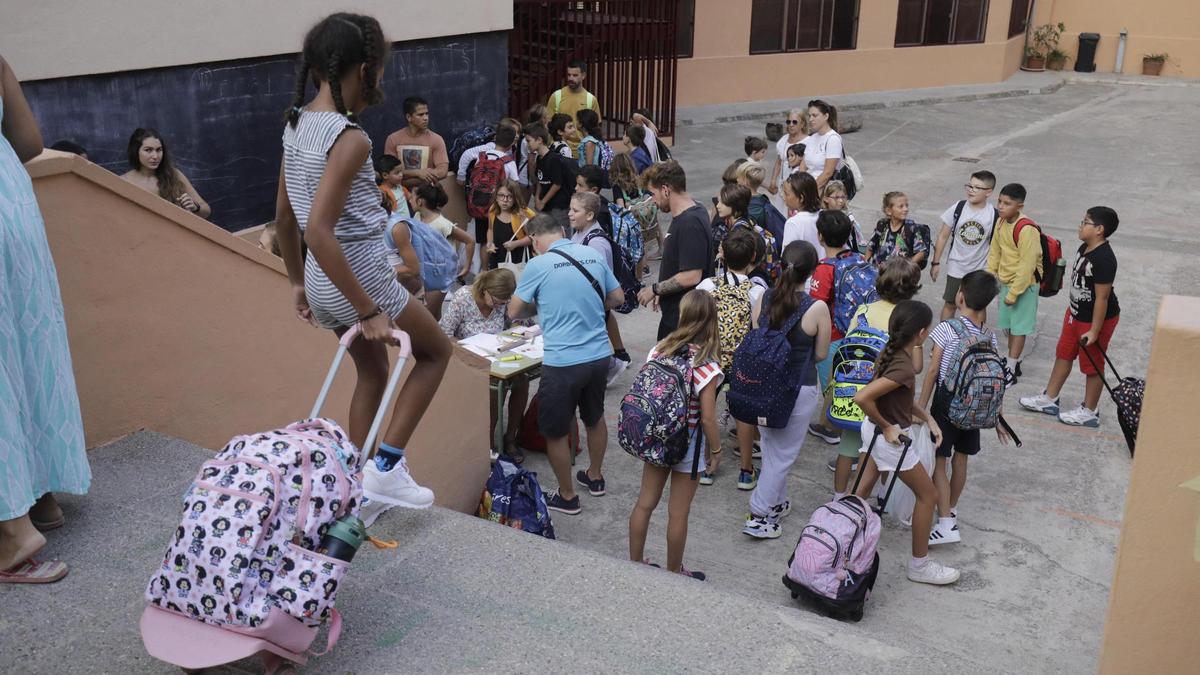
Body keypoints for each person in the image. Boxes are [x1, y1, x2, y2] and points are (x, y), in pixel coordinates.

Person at [276, 13, 452, 525]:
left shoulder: (295, 122)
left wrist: (296, 282)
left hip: (321, 280)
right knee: (436, 353)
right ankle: (386, 468)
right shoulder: (349, 138)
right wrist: (369, 309)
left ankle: (353, 491)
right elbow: (319, 230)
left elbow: (287, 219)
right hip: (360, 280)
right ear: (364, 68)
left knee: (372, 372)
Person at [0, 53, 90, 584]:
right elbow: (30, 143)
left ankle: (11, 534)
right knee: (28, 347)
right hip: (12, 204)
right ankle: (41, 497)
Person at [508, 214, 625, 515]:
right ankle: (595, 477)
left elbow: (514, 310)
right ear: (562, 231)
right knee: (594, 417)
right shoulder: (591, 254)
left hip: (563, 362)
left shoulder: (537, 265)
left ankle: (568, 496)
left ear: (533, 240)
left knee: (555, 430)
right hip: (600, 354)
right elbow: (617, 297)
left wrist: (545, 304)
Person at [851, 300, 959, 585]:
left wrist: (928, 419)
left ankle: (843, 542)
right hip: (889, 437)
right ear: (922, 333)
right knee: (928, 496)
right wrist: (888, 427)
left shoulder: (891, 354)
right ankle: (919, 565)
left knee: (859, 493)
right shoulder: (903, 366)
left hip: (872, 431)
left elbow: (900, 400)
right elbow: (862, 398)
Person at [628, 290, 722, 580]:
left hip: (657, 436)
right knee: (678, 513)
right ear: (710, 321)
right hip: (688, 445)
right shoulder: (707, 363)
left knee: (645, 503)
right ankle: (673, 572)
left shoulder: (660, 349)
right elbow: (707, 417)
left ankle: (634, 562)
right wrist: (715, 451)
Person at [742, 241, 831, 539]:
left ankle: (777, 502)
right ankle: (760, 513)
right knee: (783, 455)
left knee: (771, 448)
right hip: (799, 387)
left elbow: (757, 335)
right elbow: (820, 354)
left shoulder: (764, 297)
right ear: (812, 271)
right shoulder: (816, 307)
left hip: (762, 385)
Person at [919, 270, 1008, 545]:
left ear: (960, 297)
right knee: (961, 460)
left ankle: (945, 523)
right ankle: (951, 509)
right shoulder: (989, 336)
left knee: (940, 462)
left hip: (947, 406)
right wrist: (998, 415)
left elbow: (933, 371)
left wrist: (920, 409)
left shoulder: (946, 328)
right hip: (976, 409)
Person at [1020, 207, 1121, 428]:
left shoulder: (1104, 259)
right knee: (1064, 354)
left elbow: (1102, 298)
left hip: (1094, 320)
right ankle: (1050, 398)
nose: (1080, 225)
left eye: (1085, 222)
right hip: (1074, 313)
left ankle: (1090, 411)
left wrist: (1094, 330)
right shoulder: (1084, 247)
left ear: (1099, 230)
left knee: (1092, 364)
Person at [826, 256, 921, 491]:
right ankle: (880, 496)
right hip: (886, 394)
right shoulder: (906, 317)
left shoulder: (864, 309)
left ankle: (839, 497)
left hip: (857, 388)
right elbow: (915, 367)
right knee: (887, 449)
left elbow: (848, 345)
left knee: (848, 448)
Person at [696, 229, 765, 489]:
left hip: (709, 360)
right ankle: (746, 472)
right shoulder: (756, 291)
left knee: (706, 413)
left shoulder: (706, 286)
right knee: (743, 415)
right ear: (753, 257)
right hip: (742, 362)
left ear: (722, 254)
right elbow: (758, 329)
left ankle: (706, 465)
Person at [439, 268, 529, 460]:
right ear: (484, 290)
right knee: (496, 388)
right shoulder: (463, 298)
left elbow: (516, 322)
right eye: (497, 301)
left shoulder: (503, 302)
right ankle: (486, 444)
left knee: (522, 381)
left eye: (504, 302)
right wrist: (468, 347)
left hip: (497, 354)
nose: (500, 306)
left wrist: (515, 330)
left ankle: (510, 438)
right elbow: (444, 334)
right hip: (469, 359)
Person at [806, 211, 875, 450]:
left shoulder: (824, 268)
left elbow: (816, 306)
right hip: (859, 331)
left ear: (820, 236)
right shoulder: (858, 258)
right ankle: (826, 423)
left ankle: (839, 433)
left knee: (834, 385)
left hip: (834, 337)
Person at [636, 160, 714, 339]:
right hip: (677, 315)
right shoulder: (694, 210)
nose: (652, 201)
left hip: (682, 322)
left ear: (665, 189)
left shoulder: (689, 223)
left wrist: (655, 289)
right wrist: (664, 291)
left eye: (653, 194)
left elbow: (692, 275)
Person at [568, 191, 630, 383]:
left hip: (591, 303)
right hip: (581, 302)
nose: (569, 213)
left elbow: (600, 279)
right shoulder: (579, 233)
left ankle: (612, 365)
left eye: (575, 210)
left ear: (589, 215)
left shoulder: (596, 243)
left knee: (586, 345)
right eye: (570, 209)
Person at [985, 183, 1042, 385]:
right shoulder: (1001, 222)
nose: (1001, 206)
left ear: (1020, 206)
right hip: (1006, 282)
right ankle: (1012, 361)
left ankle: (1010, 368)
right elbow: (995, 251)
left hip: (1024, 286)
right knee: (1009, 327)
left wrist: (1014, 293)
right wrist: (990, 276)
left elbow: (1027, 266)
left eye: (1007, 203)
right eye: (1000, 201)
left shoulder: (1027, 229)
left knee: (1018, 329)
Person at [930, 171, 999, 322]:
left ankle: (976, 342)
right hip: (957, 267)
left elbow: (997, 246)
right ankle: (944, 339)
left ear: (989, 192)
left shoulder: (993, 215)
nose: (971, 190)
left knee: (978, 307)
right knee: (950, 303)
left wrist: (993, 272)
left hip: (980, 269)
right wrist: (935, 263)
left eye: (977, 188)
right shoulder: (958, 207)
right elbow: (943, 235)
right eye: (970, 185)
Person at [461, 124, 519, 272]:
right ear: (512, 143)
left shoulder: (482, 157)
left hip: (480, 206)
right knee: (500, 240)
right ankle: (499, 270)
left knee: (484, 241)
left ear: (495, 139)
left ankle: (485, 271)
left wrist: (461, 176)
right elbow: (515, 186)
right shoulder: (509, 162)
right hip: (500, 208)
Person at [410, 183, 474, 317]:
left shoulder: (442, 224)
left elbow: (469, 240)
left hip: (440, 275)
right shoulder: (416, 217)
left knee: (427, 314)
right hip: (425, 272)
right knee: (434, 313)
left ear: (420, 201)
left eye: (412, 197)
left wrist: (466, 267)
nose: (409, 200)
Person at [121, 128, 211, 218]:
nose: (155, 156)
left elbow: (206, 211)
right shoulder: (123, 181)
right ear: (136, 151)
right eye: (148, 150)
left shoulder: (174, 175)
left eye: (159, 150)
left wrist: (195, 207)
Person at [384, 96, 449, 189]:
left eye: (427, 114)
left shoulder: (436, 139)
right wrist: (418, 173)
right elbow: (389, 171)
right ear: (409, 117)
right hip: (400, 196)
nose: (425, 118)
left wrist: (406, 181)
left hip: (427, 195)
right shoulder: (393, 139)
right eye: (420, 114)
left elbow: (443, 171)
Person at [545, 59, 601, 159]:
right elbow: (548, 124)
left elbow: (595, 128)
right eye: (569, 75)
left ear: (583, 76)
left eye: (575, 75)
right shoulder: (557, 96)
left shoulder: (591, 99)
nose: (570, 78)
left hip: (583, 152)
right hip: (559, 151)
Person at [524, 122, 577, 224]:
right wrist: (538, 199)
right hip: (546, 203)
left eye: (528, 141)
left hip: (558, 205)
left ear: (539, 140)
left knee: (559, 232)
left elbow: (557, 184)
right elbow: (540, 179)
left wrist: (543, 201)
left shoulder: (553, 159)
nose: (527, 144)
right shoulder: (539, 158)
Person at [867, 191, 928, 269]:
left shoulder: (910, 228)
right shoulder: (882, 224)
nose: (906, 209)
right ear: (889, 211)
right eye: (901, 206)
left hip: (898, 275)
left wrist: (906, 268)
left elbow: (921, 253)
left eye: (907, 206)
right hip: (877, 272)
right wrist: (867, 265)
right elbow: (870, 246)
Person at [485, 179, 535, 270]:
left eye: (510, 196)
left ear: (516, 198)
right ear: (496, 196)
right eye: (501, 195)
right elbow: (490, 229)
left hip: (518, 259)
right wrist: (490, 242)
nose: (505, 200)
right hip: (498, 256)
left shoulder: (525, 213)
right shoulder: (493, 210)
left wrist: (516, 243)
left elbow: (533, 237)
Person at [804, 99, 844, 191]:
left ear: (826, 116)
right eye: (809, 116)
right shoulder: (812, 138)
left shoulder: (833, 139)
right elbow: (804, 165)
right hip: (807, 188)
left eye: (815, 115)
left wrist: (811, 192)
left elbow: (827, 173)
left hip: (823, 191)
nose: (810, 119)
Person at [769, 108, 807, 197]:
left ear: (802, 124)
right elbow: (779, 162)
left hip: (797, 187)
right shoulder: (783, 139)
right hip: (782, 185)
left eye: (794, 122)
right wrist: (773, 181)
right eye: (788, 122)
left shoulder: (808, 142)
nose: (791, 125)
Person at [781, 172, 821, 252]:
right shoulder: (824, 215)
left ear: (801, 198)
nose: (783, 196)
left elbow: (788, 255)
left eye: (786, 194)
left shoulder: (793, 223)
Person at [820, 179, 865, 250]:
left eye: (843, 197)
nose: (840, 201)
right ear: (826, 199)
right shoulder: (820, 217)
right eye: (836, 197)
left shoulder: (848, 218)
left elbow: (854, 243)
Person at [576, 164, 613, 235]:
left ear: (594, 190)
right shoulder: (590, 205)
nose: (576, 188)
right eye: (576, 184)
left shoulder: (600, 214)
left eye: (580, 185)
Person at [374, 154, 412, 220]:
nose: (401, 175)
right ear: (385, 175)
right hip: (397, 225)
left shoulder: (400, 187)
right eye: (397, 173)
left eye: (401, 171)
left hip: (408, 223)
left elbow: (411, 198)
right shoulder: (382, 192)